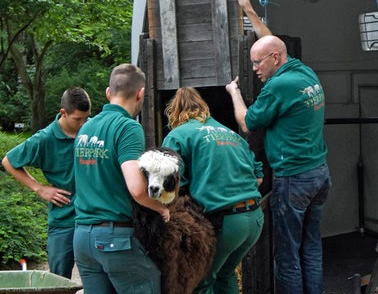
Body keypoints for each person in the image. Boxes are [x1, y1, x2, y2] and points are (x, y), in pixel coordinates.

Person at [226, 0, 332, 294]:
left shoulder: (278, 87)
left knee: (287, 256)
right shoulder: (303, 72)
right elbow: (271, 40)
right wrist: (248, 8)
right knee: (310, 248)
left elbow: (247, 123)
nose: (255, 69)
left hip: (294, 179)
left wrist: (234, 92)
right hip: (319, 175)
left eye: (258, 63)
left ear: (275, 59)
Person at [73, 64, 170, 293]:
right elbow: (137, 189)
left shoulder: (86, 129)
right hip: (114, 238)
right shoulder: (127, 128)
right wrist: (161, 208)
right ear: (140, 94)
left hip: (82, 237)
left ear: (108, 92)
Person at [161, 87, 264, 294]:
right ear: (203, 107)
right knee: (225, 275)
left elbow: (171, 186)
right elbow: (259, 178)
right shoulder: (230, 133)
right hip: (254, 219)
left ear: (175, 112)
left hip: (224, 222)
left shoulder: (178, 135)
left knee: (200, 281)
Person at [1, 87, 91, 278]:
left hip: (93, 219)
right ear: (63, 113)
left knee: (98, 281)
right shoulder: (44, 139)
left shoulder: (93, 131)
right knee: (58, 280)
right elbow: (8, 161)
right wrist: (39, 188)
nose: (84, 123)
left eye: (87, 118)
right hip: (63, 220)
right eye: (78, 119)